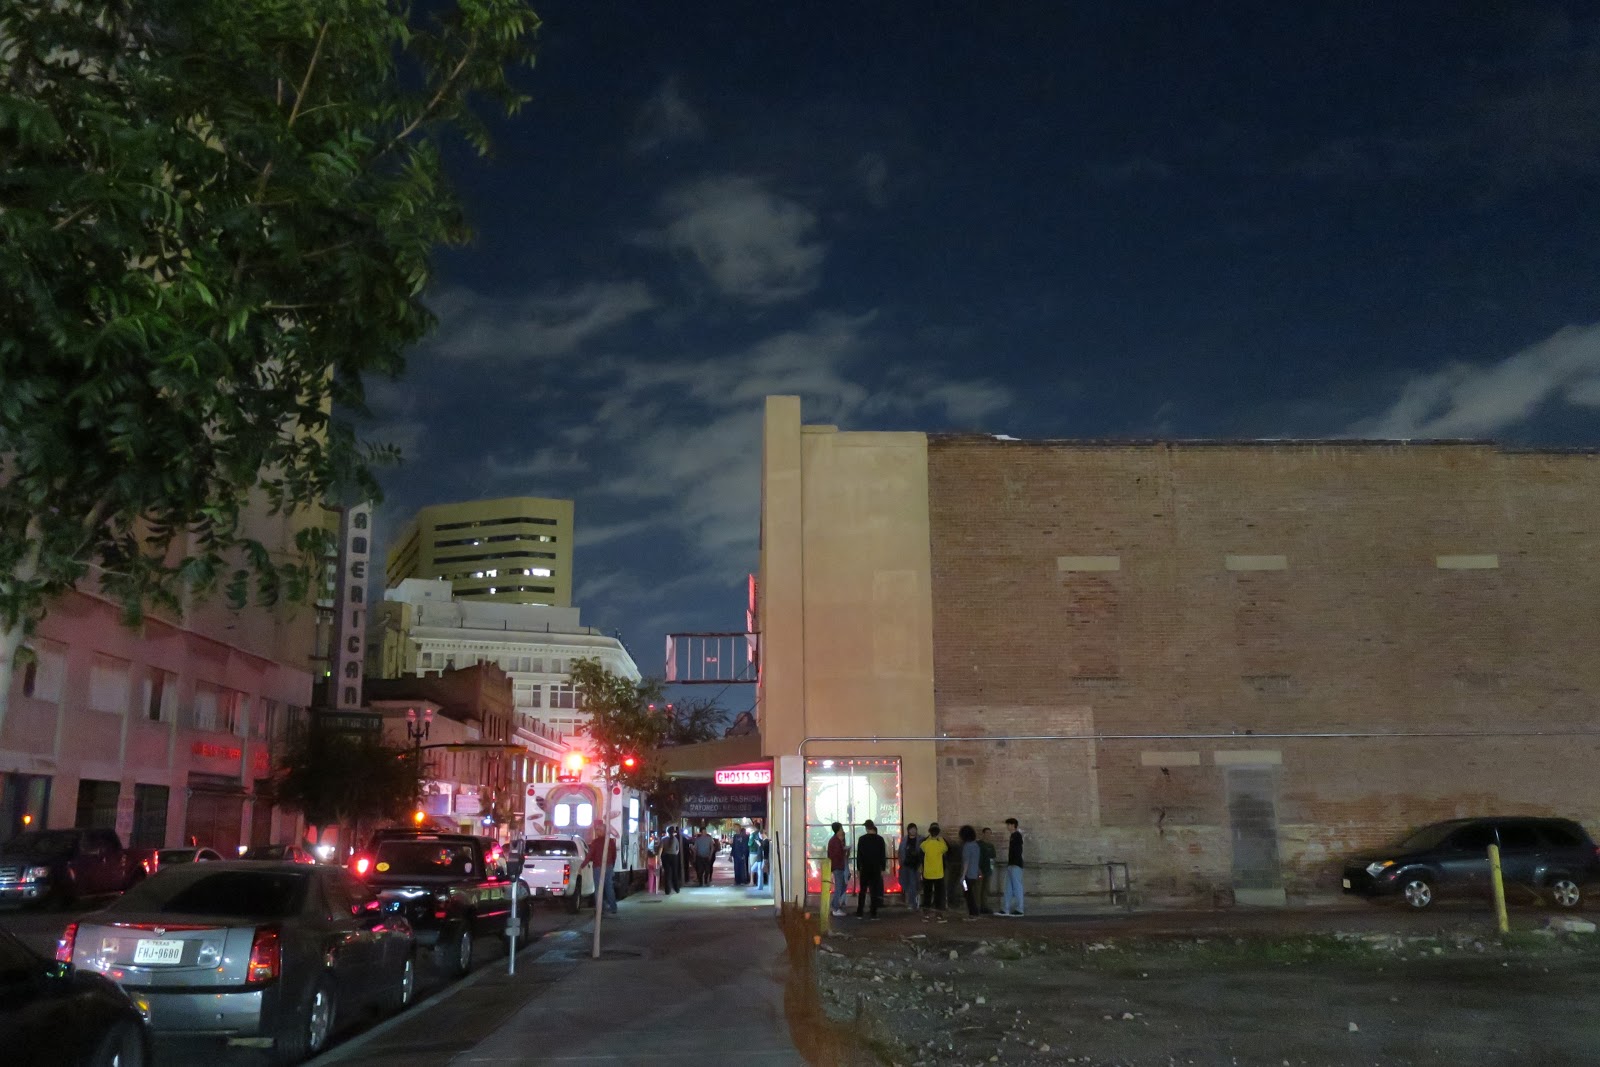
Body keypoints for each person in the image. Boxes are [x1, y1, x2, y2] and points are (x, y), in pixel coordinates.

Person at [854, 819, 887, 919]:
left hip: (865, 868)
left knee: (863, 890)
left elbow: (859, 855)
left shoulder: (862, 839)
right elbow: (882, 855)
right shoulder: (880, 839)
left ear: (866, 828)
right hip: (876, 868)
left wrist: (859, 867)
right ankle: (873, 912)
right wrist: (882, 868)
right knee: (874, 891)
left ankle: (860, 911)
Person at [919, 822, 948, 913]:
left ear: (929, 832)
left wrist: (929, 837)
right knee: (939, 895)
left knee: (927, 894)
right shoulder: (941, 844)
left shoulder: (925, 844)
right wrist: (940, 838)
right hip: (938, 873)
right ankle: (939, 914)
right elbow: (946, 848)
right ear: (938, 832)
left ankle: (926, 914)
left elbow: (922, 846)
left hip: (927, 873)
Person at [1000, 816, 1025, 916]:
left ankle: (1020, 909)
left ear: (1013, 825)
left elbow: (1018, 851)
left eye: (1009, 825)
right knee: (1009, 888)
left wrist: (1014, 863)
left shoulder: (1016, 835)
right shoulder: (1014, 836)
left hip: (1015, 864)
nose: (1007, 826)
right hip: (1012, 864)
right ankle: (1005, 909)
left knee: (1017, 887)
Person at [826, 822, 850, 917]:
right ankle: (835, 907)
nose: (842, 829)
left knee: (842, 886)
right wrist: (844, 850)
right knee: (840, 887)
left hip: (838, 866)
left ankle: (835, 904)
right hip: (838, 867)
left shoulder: (835, 840)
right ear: (838, 829)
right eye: (841, 828)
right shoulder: (835, 841)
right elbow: (837, 854)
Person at [958, 825, 981, 919]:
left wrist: (963, 875)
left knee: (968, 894)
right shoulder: (976, 845)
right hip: (974, 874)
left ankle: (972, 913)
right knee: (970, 894)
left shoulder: (967, 846)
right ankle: (973, 912)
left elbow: (966, 862)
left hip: (967, 876)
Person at [899, 823, 923, 911]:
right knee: (906, 883)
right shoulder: (904, 839)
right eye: (911, 829)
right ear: (908, 830)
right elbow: (900, 852)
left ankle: (912, 902)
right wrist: (901, 862)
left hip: (915, 865)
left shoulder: (921, 839)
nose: (913, 831)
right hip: (906, 864)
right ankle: (912, 901)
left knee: (914, 883)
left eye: (914, 829)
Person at [594, 833, 618, 915]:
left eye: (598, 830)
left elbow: (590, 854)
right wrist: (612, 864)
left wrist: (583, 865)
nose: (597, 831)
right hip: (609, 866)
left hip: (597, 867)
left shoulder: (595, 842)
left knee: (598, 889)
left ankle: (600, 909)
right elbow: (614, 855)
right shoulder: (611, 841)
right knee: (609, 887)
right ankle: (613, 907)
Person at [978, 827, 997, 914]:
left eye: (990, 833)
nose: (988, 835)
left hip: (988, 871)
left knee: (985, 889)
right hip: (979, 870)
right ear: (983, 834)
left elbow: (993, 859)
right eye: (987, 833)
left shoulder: (991, 846)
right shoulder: (979, 844)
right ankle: (977, 906)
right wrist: (978, 869)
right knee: (978, 889)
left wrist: (991, 869)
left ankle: (984, 906)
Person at [660, 826, 681, 894]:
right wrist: (675, 854)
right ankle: (676, 888)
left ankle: (667, 890)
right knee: (675, 872)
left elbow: (661, 848)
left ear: (667, 831)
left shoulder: (663, 839)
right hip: (674, 857)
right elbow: (677, 849)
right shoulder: (675, 839)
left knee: (667, 873)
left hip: (666, 857)